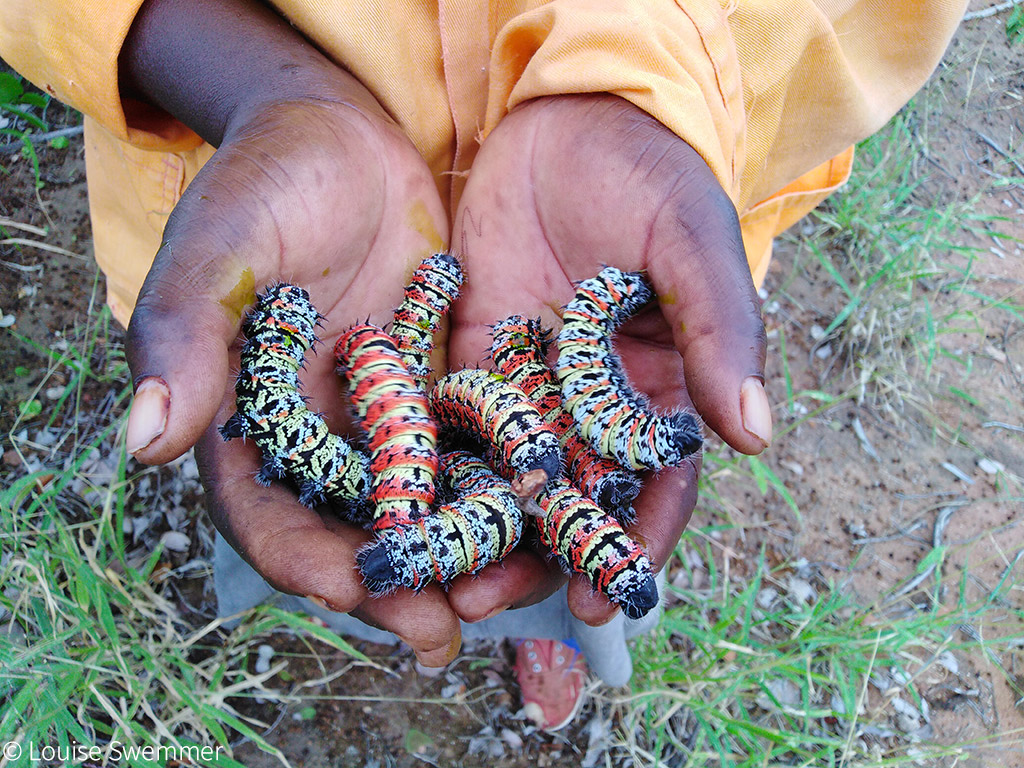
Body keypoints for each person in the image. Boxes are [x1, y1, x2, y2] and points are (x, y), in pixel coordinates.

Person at [0, 0, 966, 732]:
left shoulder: (543, 386)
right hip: (282, 220)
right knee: (338, 510)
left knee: (508, 542)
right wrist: (260, 89)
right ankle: (435, 581)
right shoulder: (456, 396)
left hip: (542, 286)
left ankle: (541, 618)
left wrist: (661, 84)